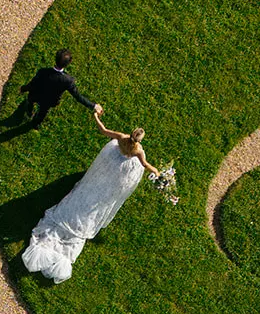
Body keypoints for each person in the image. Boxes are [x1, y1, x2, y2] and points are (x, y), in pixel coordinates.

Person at [22, 106, 159, 284]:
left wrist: (95, 116)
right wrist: (156, 172)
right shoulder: (138, 150)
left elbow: (103, 130)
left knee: (93, 182)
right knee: (105, 193)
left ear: (132, 133)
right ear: (139, 139)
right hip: (120, 170)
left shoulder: (122, 137)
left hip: (110, 161)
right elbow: (145, 164)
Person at [16, 49, 96, 128]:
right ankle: (35, 124)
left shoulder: (43, 72)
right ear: (69, 63)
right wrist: (93, 106)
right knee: (42, 113)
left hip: (36, 94)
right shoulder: (68, 80)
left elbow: (32, 84)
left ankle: (29, 111)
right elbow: (78, 97)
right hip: (49, 101)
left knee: (30, 101)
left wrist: (23, 89)